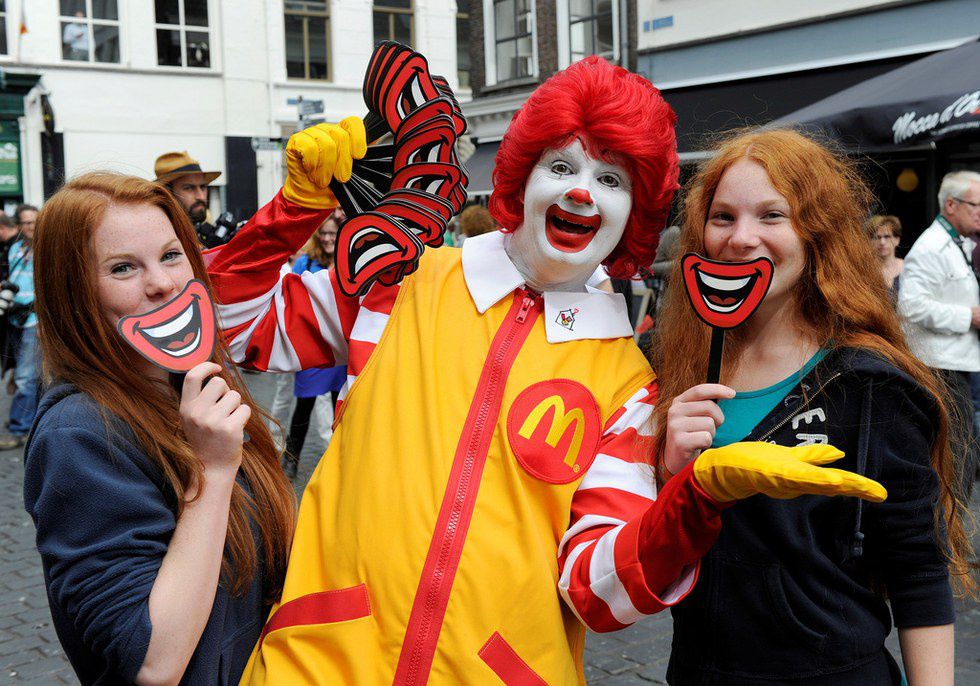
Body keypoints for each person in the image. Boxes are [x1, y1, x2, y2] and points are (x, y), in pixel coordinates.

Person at [207, 57, 883, 684]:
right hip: (321, 664)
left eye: (611, 180)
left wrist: (693, 500)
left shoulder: (628, 382)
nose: (582, 192)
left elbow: (601, 594)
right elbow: (232, 327)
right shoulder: (401, 279)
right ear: (523, 178)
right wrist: (294, 208)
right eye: (562, 166)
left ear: (634, 214)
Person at [652, 129, 975, 685]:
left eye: (772, 216)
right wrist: (667, 472)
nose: (740, 238)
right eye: (723, 217)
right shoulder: (678, 367)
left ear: (816, 232)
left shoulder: (871, 385)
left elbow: (918, 570)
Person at [22, 172, 296, 685]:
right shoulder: (76, 433)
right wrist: (212, 471)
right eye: (123, 267)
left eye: (172, 255)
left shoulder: (188, 386)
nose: (163, 283)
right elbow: (153, 660)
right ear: (74, 293)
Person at [899, 170, 980, 499]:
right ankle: (951, 523)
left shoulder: (955, 242)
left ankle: (952, 520)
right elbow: (910, 306)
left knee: (961, 452)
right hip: (940, 366)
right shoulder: (930, 246)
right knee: (957, 453)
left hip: (956, 362)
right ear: (951, 205)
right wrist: (969, 316)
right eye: (976, 205)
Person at [281, 210, 347, 478]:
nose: (329, 238)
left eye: (333, 233)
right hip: (312, 346)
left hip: (339, 348)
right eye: (324, 234)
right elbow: (291, 300)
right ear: (318, 236)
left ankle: (341, 459)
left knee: (340, 407)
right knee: (304, 405)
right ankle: (291, 458)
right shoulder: (305, 262)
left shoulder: (347, 259)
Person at [0, 204, 40, 449]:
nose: (30, 226)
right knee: (22, 374)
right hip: (14, 320)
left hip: (35, 322)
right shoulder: (16, 248)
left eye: (34, 221)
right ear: (19, 225)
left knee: (26, 378)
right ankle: (28, 420)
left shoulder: (46, 248)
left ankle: (19, 429)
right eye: (25, 222)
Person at [153, 150, 237, 249]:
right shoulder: (156, 234)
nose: (200, 196)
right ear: (168, 193)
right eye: (189, 188)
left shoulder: (203, 221)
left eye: (203, 187)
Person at [868, 215, 904, 293]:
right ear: (870, 241)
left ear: (897, 240)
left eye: (887, 237)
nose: (882, 242)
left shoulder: (907, 268)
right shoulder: (867, 271)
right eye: (877, 237)